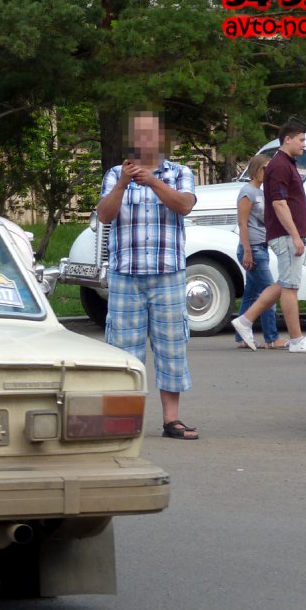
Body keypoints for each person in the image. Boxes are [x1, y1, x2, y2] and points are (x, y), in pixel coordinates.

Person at [97, 110, 199, 439]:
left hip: (167, 274)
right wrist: (126, 182)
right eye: (137, 134)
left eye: (149, 133)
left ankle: (172, 420)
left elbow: (184, 205)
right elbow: (104, 215)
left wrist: (153, 181)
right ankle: (123, 421)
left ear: (160, 138)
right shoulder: (115, 175)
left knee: (171, 347)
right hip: (126, 276)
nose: (144, 139)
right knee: (123, 351)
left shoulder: (180, 172)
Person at [231, 118, 306, 354]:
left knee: (283, 284)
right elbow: (279, 203)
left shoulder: (285, 164)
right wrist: (295, 236)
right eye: (301, 140)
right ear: (288, 139)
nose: (304, 144)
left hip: (287, 233)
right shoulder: (280, 165)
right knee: (290, 288)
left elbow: (293, 203)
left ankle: (244, 321)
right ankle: (297, 340)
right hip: (284, 235)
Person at [233, 153, 287, 350]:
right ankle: (272, 338)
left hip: (261, 248)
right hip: (253, 250)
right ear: (255, 169)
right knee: (269, 293)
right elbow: (243, 223)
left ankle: (240, 338)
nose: (267, 172)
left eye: (269, 168)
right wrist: (247, 250)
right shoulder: (247, 191)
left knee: (251, 295)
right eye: (264, 168)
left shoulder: (262, 192)